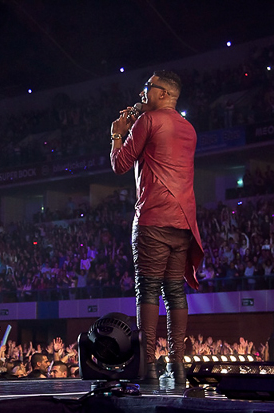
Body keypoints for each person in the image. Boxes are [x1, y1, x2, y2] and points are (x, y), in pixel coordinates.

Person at [110, 70, 204, 384]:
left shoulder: (148, 122)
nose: (143, 93)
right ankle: (176, 366)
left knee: (148, 290)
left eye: (147, 88)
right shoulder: (189, 129)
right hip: (183, 221)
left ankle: (147, 365)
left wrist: (117, 134)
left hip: (153, 218)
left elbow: (120, 164)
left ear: (163, 93)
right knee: (175, 291)